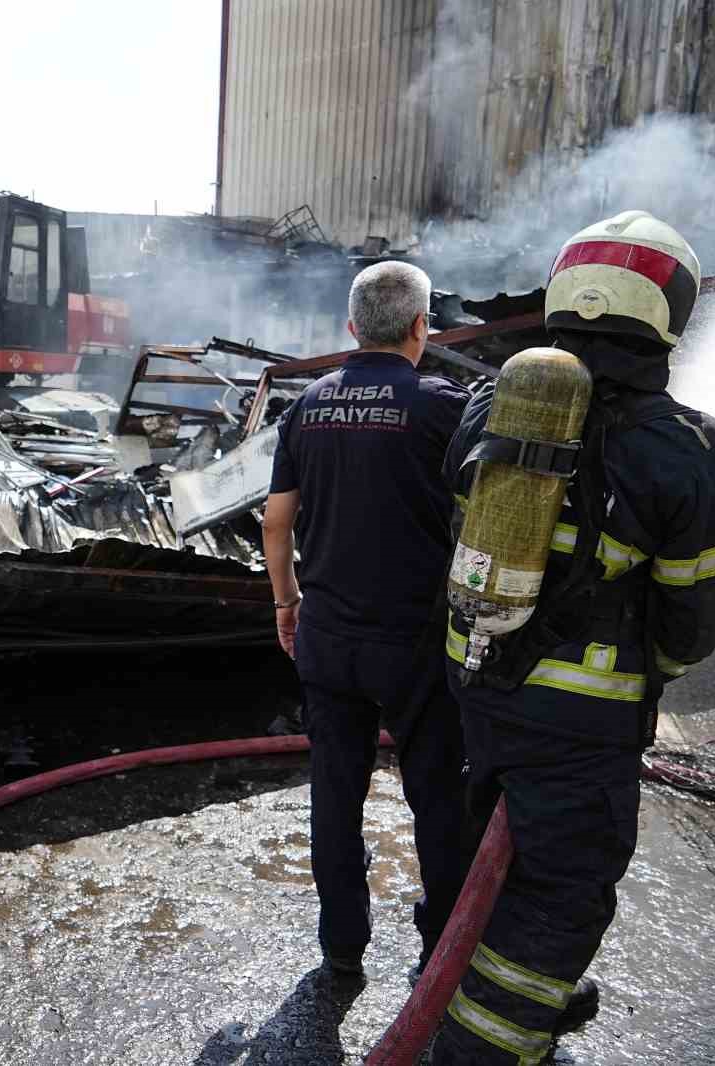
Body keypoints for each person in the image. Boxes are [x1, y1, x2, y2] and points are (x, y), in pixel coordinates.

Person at [431, 211, 715, 1064]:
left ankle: (473, 987)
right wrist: (654, 669)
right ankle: (484, 1047)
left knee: (496, 855)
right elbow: (694, 614)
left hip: (482, 682)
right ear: (667, 312)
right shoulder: (691, 449)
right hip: (582, 725)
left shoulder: (482, 412)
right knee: (560, 894)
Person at [262, 260, 470, 980]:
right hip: (416, 640)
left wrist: (287, 603)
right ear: (421, 327)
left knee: (335, 792)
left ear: (352, 327)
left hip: (328, 633)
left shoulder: (306, 405)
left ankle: (341, 946)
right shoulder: (446, 406)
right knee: (439, 796)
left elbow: (276, 523)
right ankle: (441, 948)